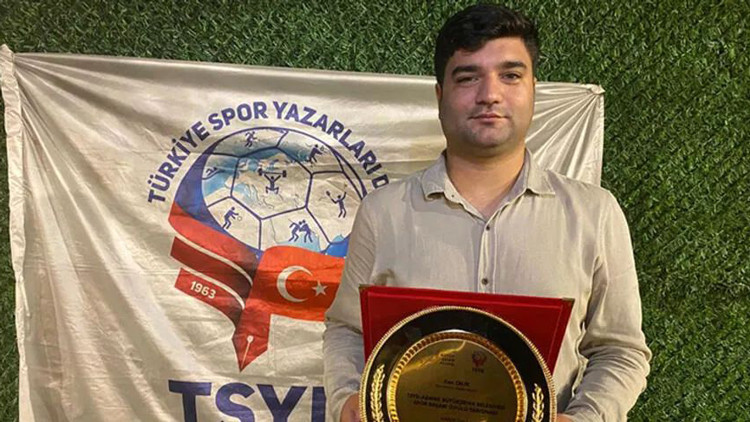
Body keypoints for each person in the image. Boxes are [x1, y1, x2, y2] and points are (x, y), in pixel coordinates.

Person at [323, 4, 651, 422]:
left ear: (533, 90)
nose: (490, 94)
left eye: (510, 75)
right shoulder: (383, 212)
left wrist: (585, 417)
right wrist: (347, 398)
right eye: (468, 77)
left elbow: (620, 350)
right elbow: (347, 329)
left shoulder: (595, 213)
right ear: (440, 96)